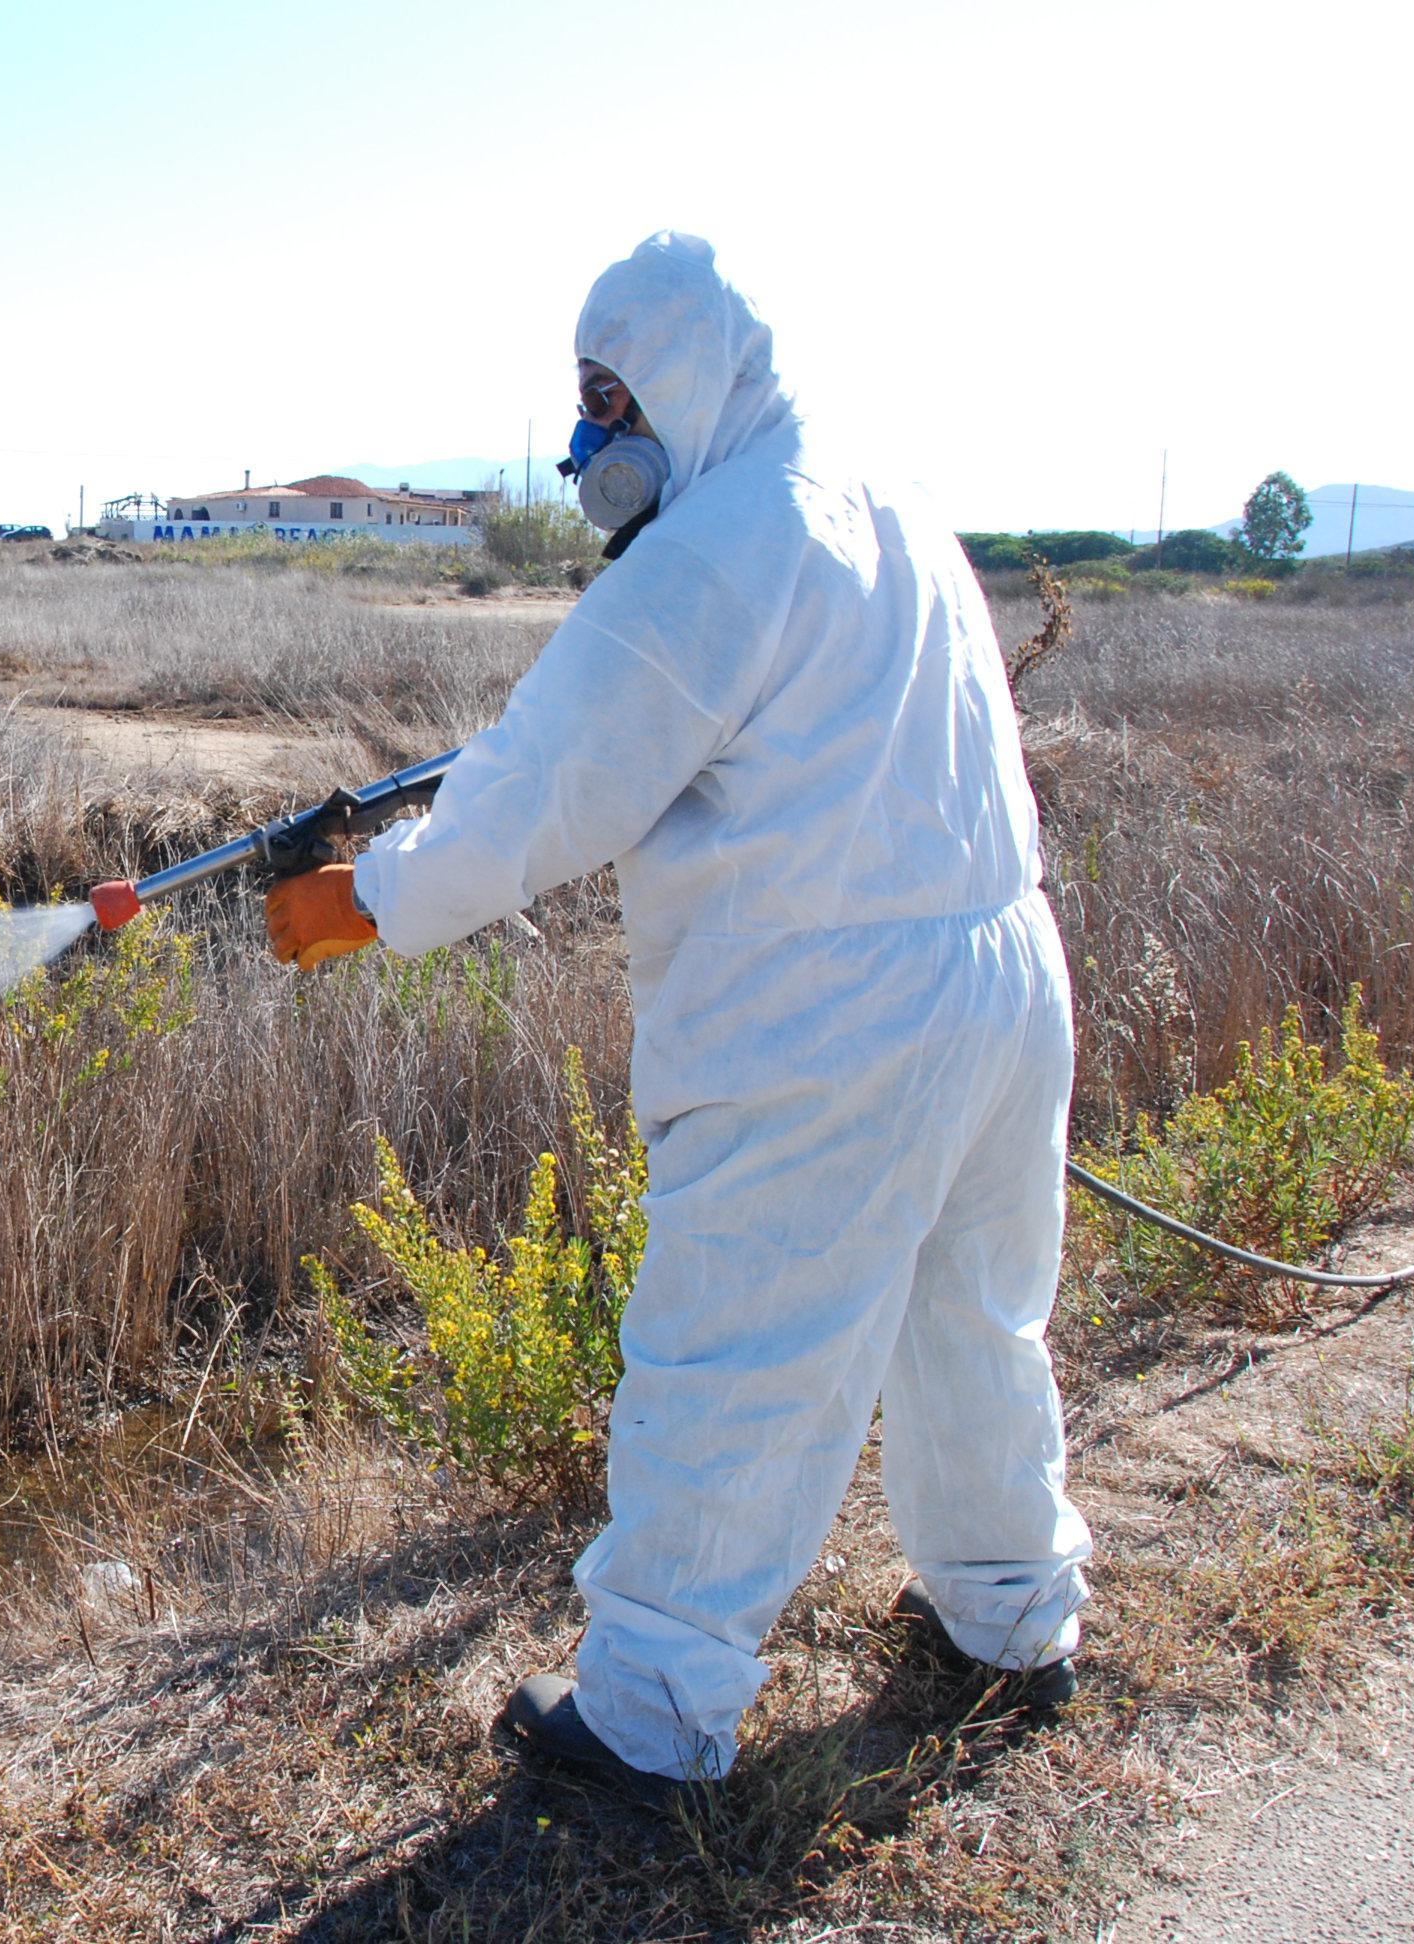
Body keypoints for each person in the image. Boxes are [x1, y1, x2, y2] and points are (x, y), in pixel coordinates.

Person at [263, 232, 1090, 1805]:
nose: (590, 441)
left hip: (826, 1013)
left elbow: (536, 802)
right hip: (997, 982)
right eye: (585, 400)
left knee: (736, 1355)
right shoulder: (885, 505)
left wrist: (361, 900)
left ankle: (646, 1714)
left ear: (694, 378)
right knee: (971, 1321)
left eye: (612, 397)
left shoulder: (725, 542)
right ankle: (1014, 1621)